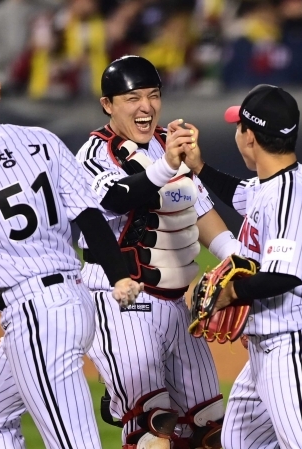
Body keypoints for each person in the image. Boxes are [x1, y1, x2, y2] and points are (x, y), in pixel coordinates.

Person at [0, 49, 143, 449]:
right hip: (74, 301)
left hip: (35, 316)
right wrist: (120, 274)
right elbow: (88, 216)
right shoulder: (43, 140)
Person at [75, 55, 238, 448]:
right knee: (154, 427)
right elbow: (116, 198)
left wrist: (235, 256)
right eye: (132, 98)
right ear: (107, 105)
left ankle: (121, 396)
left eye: (152, 95)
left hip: (180, 305)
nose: (145, 107)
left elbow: (200, 212)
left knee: (209, 430)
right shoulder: (94, 155)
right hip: (122, 303)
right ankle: (122, 396)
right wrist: (167, 165)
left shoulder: (169, 142)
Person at [180, 84, 302, 449]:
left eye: (239, 126)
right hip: (265, 352)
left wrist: (227, 293)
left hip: (292, 349)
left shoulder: (289, 194)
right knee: (238, 442)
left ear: (249, 137)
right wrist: (199, 167)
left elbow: (283, 275)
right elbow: (238, 193)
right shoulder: (274, 183)